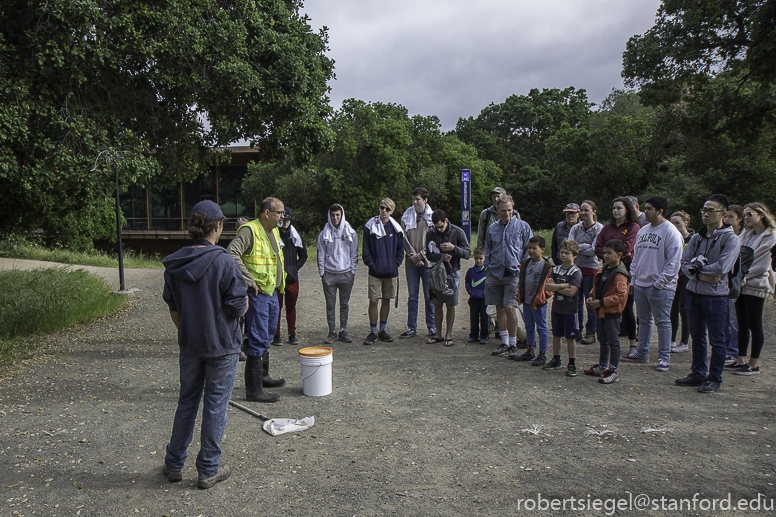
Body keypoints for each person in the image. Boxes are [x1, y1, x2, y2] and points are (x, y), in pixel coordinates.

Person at [162, 200, 247, 489]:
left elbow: (174, 307)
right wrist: (246, 301)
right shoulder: (224, 261)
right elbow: (237, 308)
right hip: (222, 345)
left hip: (190, 344)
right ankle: (208, 469)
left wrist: (187, 331)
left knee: (187, 402)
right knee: (215, 406)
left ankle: (174, 464)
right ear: (219, 226)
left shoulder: (174, 263)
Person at [675, 194, 740, 393]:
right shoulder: (697, 237)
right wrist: (701, 277)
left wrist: (697, 272)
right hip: (694, 292)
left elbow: (723, 267)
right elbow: (684, 263)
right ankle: (698, 372)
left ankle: (714, 377)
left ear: (723, 213)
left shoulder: (731, 239)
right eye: (704, 209)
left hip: (716, 296)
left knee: (717, 338)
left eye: (711, 210)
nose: (706, 213)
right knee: (697, 336)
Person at [227, 197, 287, 403]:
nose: (282, 216)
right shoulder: (249, 230)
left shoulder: (274, 231)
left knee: (268, 333)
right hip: (257, 294)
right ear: (267, 213)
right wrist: (248, 279)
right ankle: (253, 390)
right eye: (279, 212)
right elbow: (231, 253)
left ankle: (262, 377)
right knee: (258, 337)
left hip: (271, 292)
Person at [622, 196, 684, 371]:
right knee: (644, 320)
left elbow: (673, 263)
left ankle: (664, 358)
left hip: (660, 287)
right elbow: (636, 257)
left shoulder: (671, 232)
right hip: (641, 284)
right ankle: (642, 353)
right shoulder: (643, 231)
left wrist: (659, 283)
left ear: (660, 211)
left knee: (662, 321)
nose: (645, 212)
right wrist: (634, 279)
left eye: (649, 209)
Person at [728, 202, 776, 375]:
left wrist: (742, 277)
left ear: (761, 215)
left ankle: (754, 363)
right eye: (745, 214)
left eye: (750, 214)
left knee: (755, 324)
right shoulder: (745, 234)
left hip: (756, 285)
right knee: (742, 323)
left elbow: (763, 265)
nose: (746, 218)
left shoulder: (770, 236)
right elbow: (736, 255)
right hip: (741, 285)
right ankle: (741, 359)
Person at [484, 194, 533, 358]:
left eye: (509, 210)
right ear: (497, 210)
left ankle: (513, 343)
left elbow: (528, 249)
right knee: (499, 308)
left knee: (510, 307)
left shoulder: (523, 226)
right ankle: (504, 342)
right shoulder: (492, 228)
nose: (507, 214)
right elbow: (487, 250)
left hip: (513, 273)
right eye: (503, 211)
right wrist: (488, 267)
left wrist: (523, 267)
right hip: (495, 272)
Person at [595, 197, 640, 355]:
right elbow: (598, 247)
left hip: (625, 268)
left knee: (626, 306)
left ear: (627, 209)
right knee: (605, 301)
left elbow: (628, 248)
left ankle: (633, 343)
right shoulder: (607, 227)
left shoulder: (634, 227)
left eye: (619, 208)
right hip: (607, 268)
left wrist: (612, 254)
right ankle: (607, 341)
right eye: (614, 208)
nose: (616, 211)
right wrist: (609, 255)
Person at [583, 239, 630, 384]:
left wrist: (602, 302)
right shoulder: (603, 269)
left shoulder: (620, 274)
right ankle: (602, 366)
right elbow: (597, 286)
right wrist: (592, 296)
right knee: (602, 339)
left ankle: (613, 370)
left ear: (619, 255)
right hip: (600, 310)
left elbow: (621, 296)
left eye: (610, 253)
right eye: (604, 253)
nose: (606, 256)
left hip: (612, 312)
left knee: (613, 341)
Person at [425, 209, 471, 346]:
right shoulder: (431, 233)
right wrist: (441, 257)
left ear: (446, 221)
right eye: (436, 227)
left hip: (452, 273)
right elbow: (428, 254)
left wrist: (453, 248)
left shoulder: (458, 232)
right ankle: (438, 334)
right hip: (437, 274)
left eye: (440, 226)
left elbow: (467, 253)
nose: (438, 229)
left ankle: (448, 335)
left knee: (450, 305)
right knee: (437, 305)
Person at [362, 198, 404, 345]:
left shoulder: (396, 228)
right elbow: (365, 249)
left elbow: (400, 249)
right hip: (375, 271)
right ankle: (373, 332)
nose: (383, 211)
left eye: (387, 209)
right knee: (373, 300)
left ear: (391, 211)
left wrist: (396, 264)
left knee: (386, 300)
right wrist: (371, 265)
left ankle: (382, 330)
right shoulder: (370, 226)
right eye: (382, 208)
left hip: (391, 271)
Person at [317, 204, 358, 344]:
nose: (335, 218)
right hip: (329, 274)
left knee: (344, 304)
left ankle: (343, 330)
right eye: (333, 215)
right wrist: (322, 273)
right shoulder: (324, 233)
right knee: (330, 304)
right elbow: (320, 253)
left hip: (346, 273)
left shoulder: (350, 232)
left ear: (342, 215)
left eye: (338, 215)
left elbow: (354, 253)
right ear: (329, 216)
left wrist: (352, 271)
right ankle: (332, 331)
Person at [399, 187, 436, 339]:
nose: (414, 202)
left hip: (427, 263)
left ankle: (432, 327)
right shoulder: (406, 216)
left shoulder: (432, 216)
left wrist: (421, 256)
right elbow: (402, 236)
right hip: (411, 262)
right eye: (413, 199)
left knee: (429, 296)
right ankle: (411, 327)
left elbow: (434, 240)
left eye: (418, 199)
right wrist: (412, 255)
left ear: (425, 200)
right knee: (412, 296)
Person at [543, 239, 582, 376]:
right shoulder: (556, 269)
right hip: (557, 307)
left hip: (570, 309)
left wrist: (556, 287)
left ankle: (571, 363)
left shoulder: (575, 272)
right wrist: (563, 286)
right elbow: (547, 287)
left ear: (574, 255)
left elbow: (572, 292)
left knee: (570, 338)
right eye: (562, 252)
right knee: (556, 335)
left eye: (567, 253)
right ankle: (556, 359)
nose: (563, 255)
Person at [512, 235, 551, 365]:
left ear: (542, 249)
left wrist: (544, 296)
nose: (531, 251)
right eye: (529, 248)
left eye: (535, 248)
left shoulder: (546, 265)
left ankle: (542, 354)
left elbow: (550, 285)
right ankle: (530, 350)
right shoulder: (526, 263)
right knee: (529, 326)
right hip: (527, 300)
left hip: (539, 302)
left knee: (541, 327)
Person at [569, 200, 603, 345]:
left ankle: (591, 331)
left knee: (589, 301)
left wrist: (578, 247)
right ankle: (576, 329)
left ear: (594, 212)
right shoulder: (576, 228)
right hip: (577, 270)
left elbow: (595, 250)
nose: (583, 213)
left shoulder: (599, 229)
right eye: (581, 210)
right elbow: (569, 246)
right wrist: (584, 246)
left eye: (586, 210)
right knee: (575, 301)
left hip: (592, 269)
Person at [272, 208, 307, 346]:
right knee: (277, 308)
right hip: (278, 279)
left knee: (291, 308)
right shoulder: (274, 234)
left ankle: (292, 334)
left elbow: (304, 255)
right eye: (283, 219)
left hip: (292, 278)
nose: (285, 222)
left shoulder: (296, 235)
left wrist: (294, 267)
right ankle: (276, 335)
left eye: (288, 219)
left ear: (291, 220)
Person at [669, 210, 694, 354]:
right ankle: (671, 339)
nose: (674, 225)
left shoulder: (692, 239)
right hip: (674, 277)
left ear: (685, 223)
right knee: (672, 310)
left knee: (684, 309)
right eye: (672, 223)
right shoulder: (671, 238)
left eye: (677, 222)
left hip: (686, 278)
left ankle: (684, 342)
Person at [722, 204, 744, 360]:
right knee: (725, 318)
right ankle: (727, 349)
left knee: (734, 319)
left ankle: (733, 351)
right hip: (724, 282)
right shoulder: (723, 235)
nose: (727, 219)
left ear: (739, 219)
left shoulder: (743, 237)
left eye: (731, 216)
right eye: (726, 216)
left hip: (739, 282)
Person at [465, 247, 489, 344]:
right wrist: (470, 291)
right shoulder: (471, 271)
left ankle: (484, 335)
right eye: (476, 258)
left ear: (484, 258)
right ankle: (473, 335)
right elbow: (467, 282)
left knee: (484, 318)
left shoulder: (487, 271)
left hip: (484, 299)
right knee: (473, 317)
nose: (478, 261)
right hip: (473, 298)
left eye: (481, 258)